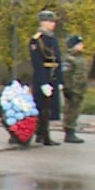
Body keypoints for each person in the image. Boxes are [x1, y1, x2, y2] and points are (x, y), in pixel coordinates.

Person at [29, 10, 62, 146]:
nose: (53, 24)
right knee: (42, 107)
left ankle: (43, 133)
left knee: (50, 108)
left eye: (53, 21)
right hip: (43, 76)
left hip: (52, 76)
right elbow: (37, 63)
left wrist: (60, 80)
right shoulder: (37, 39)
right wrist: (43, 82)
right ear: (43, 22)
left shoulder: (52, 38)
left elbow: (58, 59)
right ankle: (42, 134)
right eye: (50, 21)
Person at [62, 35, 88, 144]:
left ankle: (72, 129)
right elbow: (66, 75)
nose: (81, 46)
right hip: (72, 89)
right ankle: (69, 131)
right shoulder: (69, 59)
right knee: (70, 110)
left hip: (79, 89)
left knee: (76, 110)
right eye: (79, 44)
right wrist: (67, 88)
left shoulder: (80, 58)